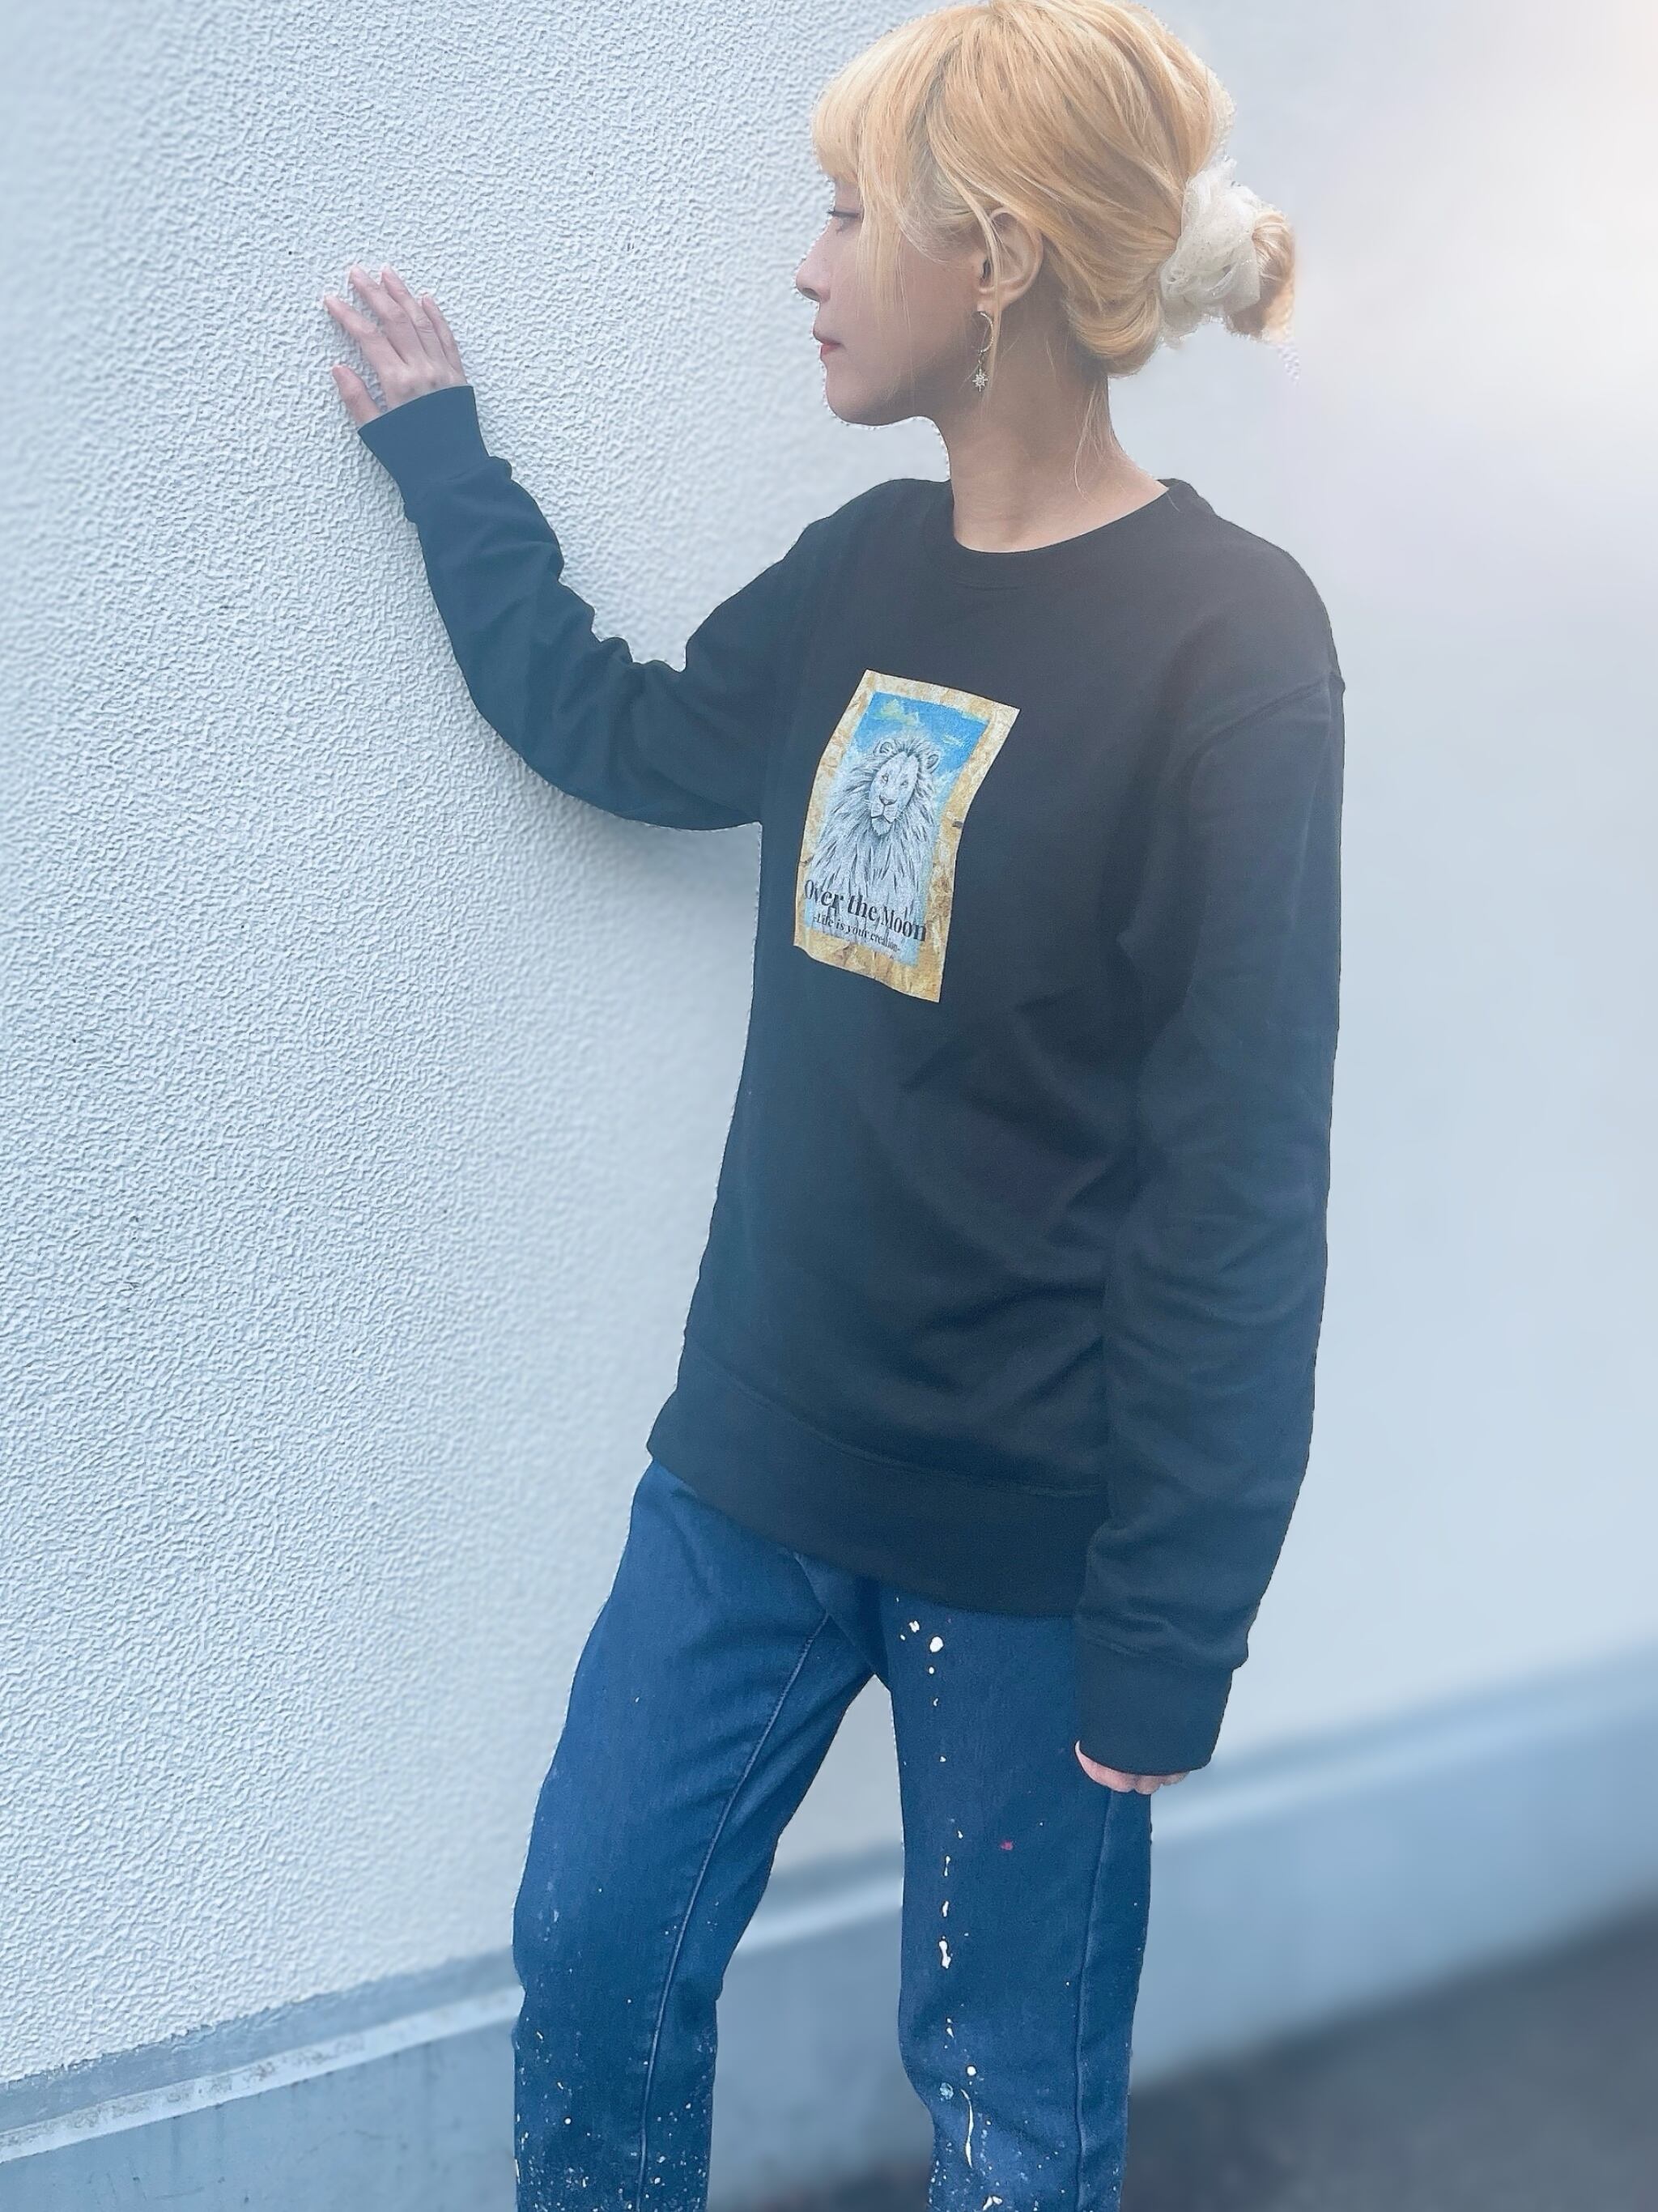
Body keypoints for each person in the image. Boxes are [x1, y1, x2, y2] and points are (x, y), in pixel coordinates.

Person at [325, 1, 1344, 2202]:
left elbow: (1241, 1172)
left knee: (1009, 2106)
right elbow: (618, 730)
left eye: (847, 215)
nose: (807, 265)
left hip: (1035, 1537)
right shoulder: (861, 576)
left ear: (992, 261)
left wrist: (1173, 1626)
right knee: (596, 1947)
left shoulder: (1230, 642)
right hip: (755, 1469)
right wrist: (442, 463)